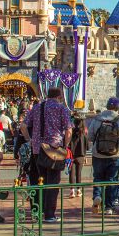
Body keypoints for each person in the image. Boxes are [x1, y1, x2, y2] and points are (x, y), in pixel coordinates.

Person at [20, 88, 72, 223]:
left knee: (39, 180)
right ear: (59, 96)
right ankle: (49, 214)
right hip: (55, 150)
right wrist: (65, 146)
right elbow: (68, 130)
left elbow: (23, 126)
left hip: (38, 150)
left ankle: (37, 211)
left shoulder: (37, 108)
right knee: (53, 182)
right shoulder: (62, 109)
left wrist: (29, 140)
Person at [87, 97, 119, 215]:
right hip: (116, 155)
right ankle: (109, 207)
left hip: (98, 154)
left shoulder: (97, 119)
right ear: (118, 107)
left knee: (98, 177)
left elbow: (90, 137)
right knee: (112, 180)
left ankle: (97, 196)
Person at [67, 116, 88, 198]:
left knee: (71, 173)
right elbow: (87, 146)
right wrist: (85, 156)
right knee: (78, 173)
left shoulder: (71, 131)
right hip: (81, 155)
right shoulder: (83, 133)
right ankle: (79, 190)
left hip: (71, 155)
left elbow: (67, 143)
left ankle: (72, 191)